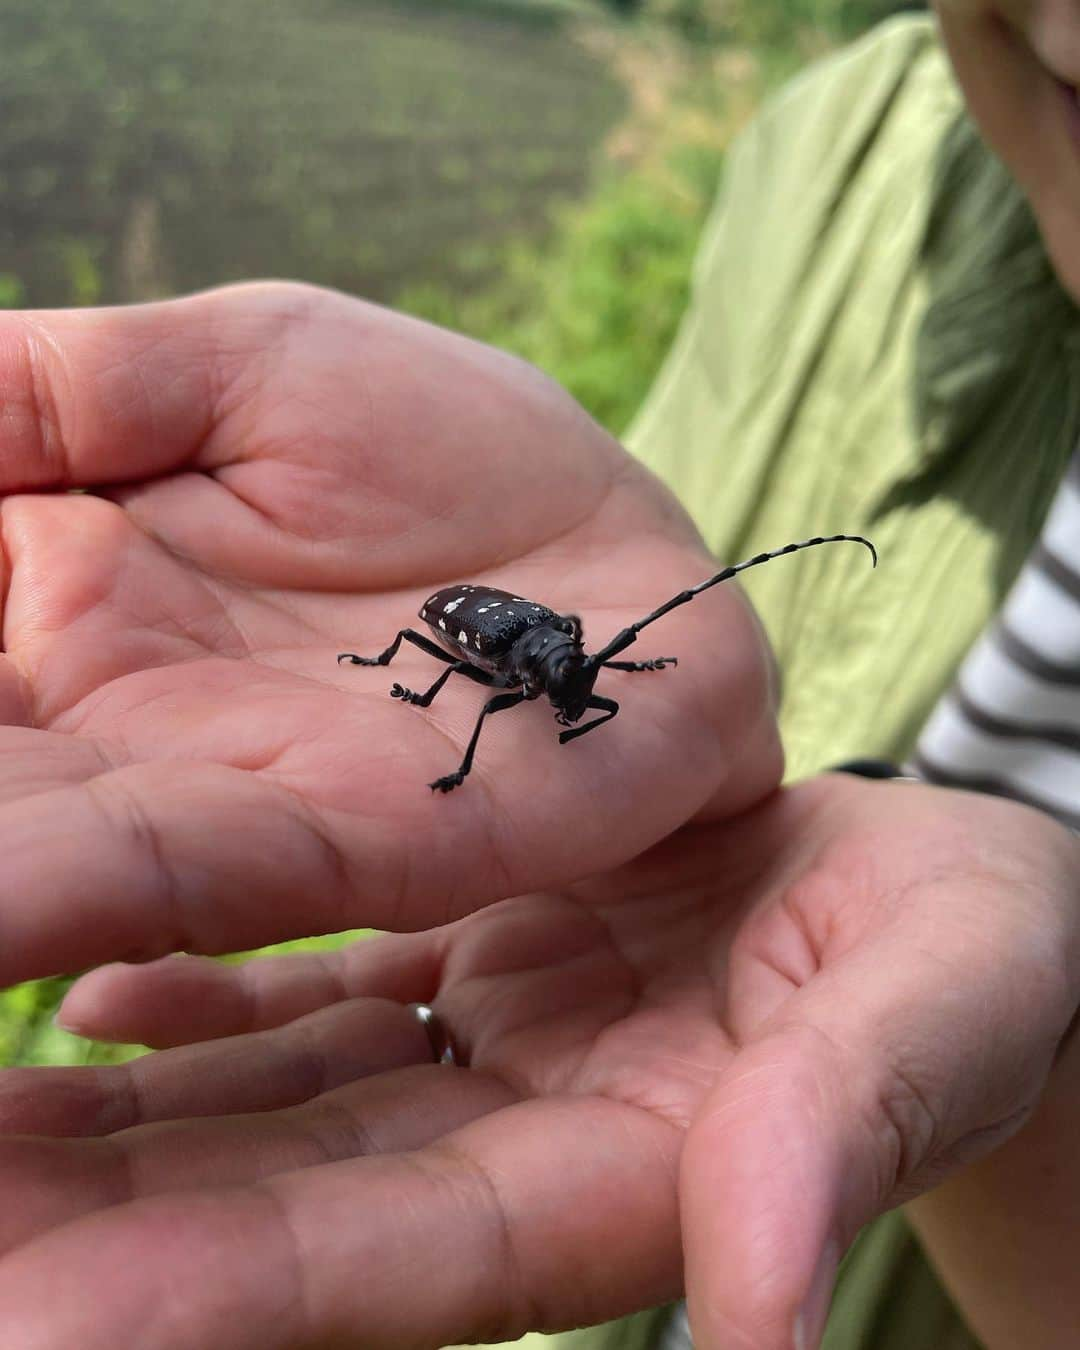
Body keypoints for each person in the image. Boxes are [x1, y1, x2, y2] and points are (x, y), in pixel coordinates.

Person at [0, 4, 1078, 1349]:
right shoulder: (842, 161)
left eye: (580, 682)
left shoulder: (579, 672)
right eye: (576, 681)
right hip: (465, 623)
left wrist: (1033, 1043)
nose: (582, 693)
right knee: (440, 674)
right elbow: (511, 659)